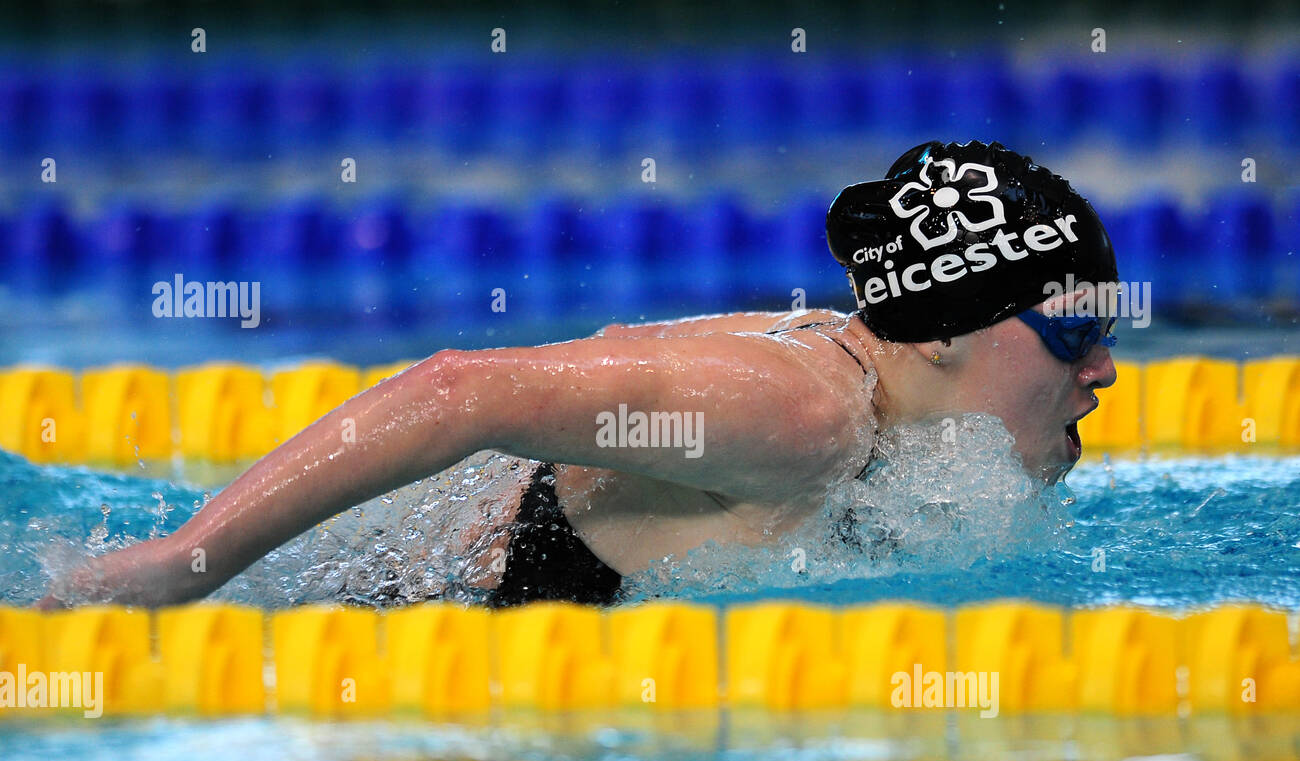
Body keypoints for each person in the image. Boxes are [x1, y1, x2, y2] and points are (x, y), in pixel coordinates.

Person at [37, 139, 1119, 610]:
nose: (1106, 369)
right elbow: (457, 389)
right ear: (945, 329)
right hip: (414, 636)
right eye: (1074, 332)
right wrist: (179, 565)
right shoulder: (800, 412)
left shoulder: (863, 396)